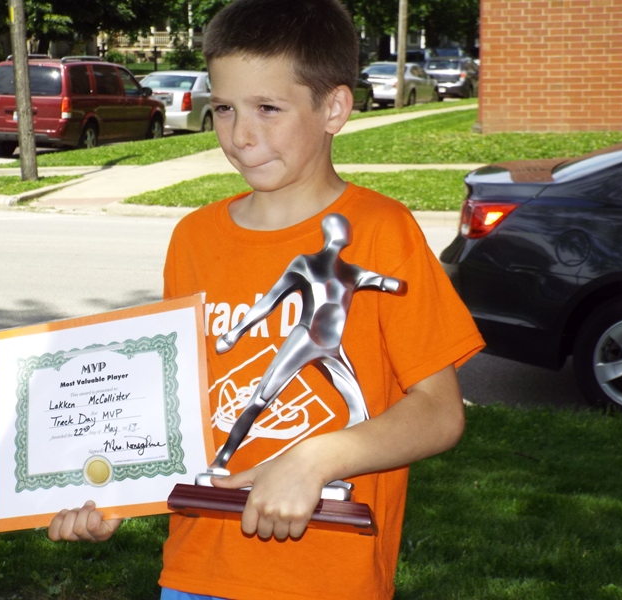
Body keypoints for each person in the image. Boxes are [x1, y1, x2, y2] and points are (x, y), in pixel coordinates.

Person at [48, 0, 484, 598]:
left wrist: (315, 459)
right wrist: (112, 489)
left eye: (268, 109)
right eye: (225, 107)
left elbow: (439, 412)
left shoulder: (384, 231)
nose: (240, 135)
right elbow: (170, 405)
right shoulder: (194, 238)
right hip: (197, 570)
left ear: (334, 108)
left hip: (327, 580)